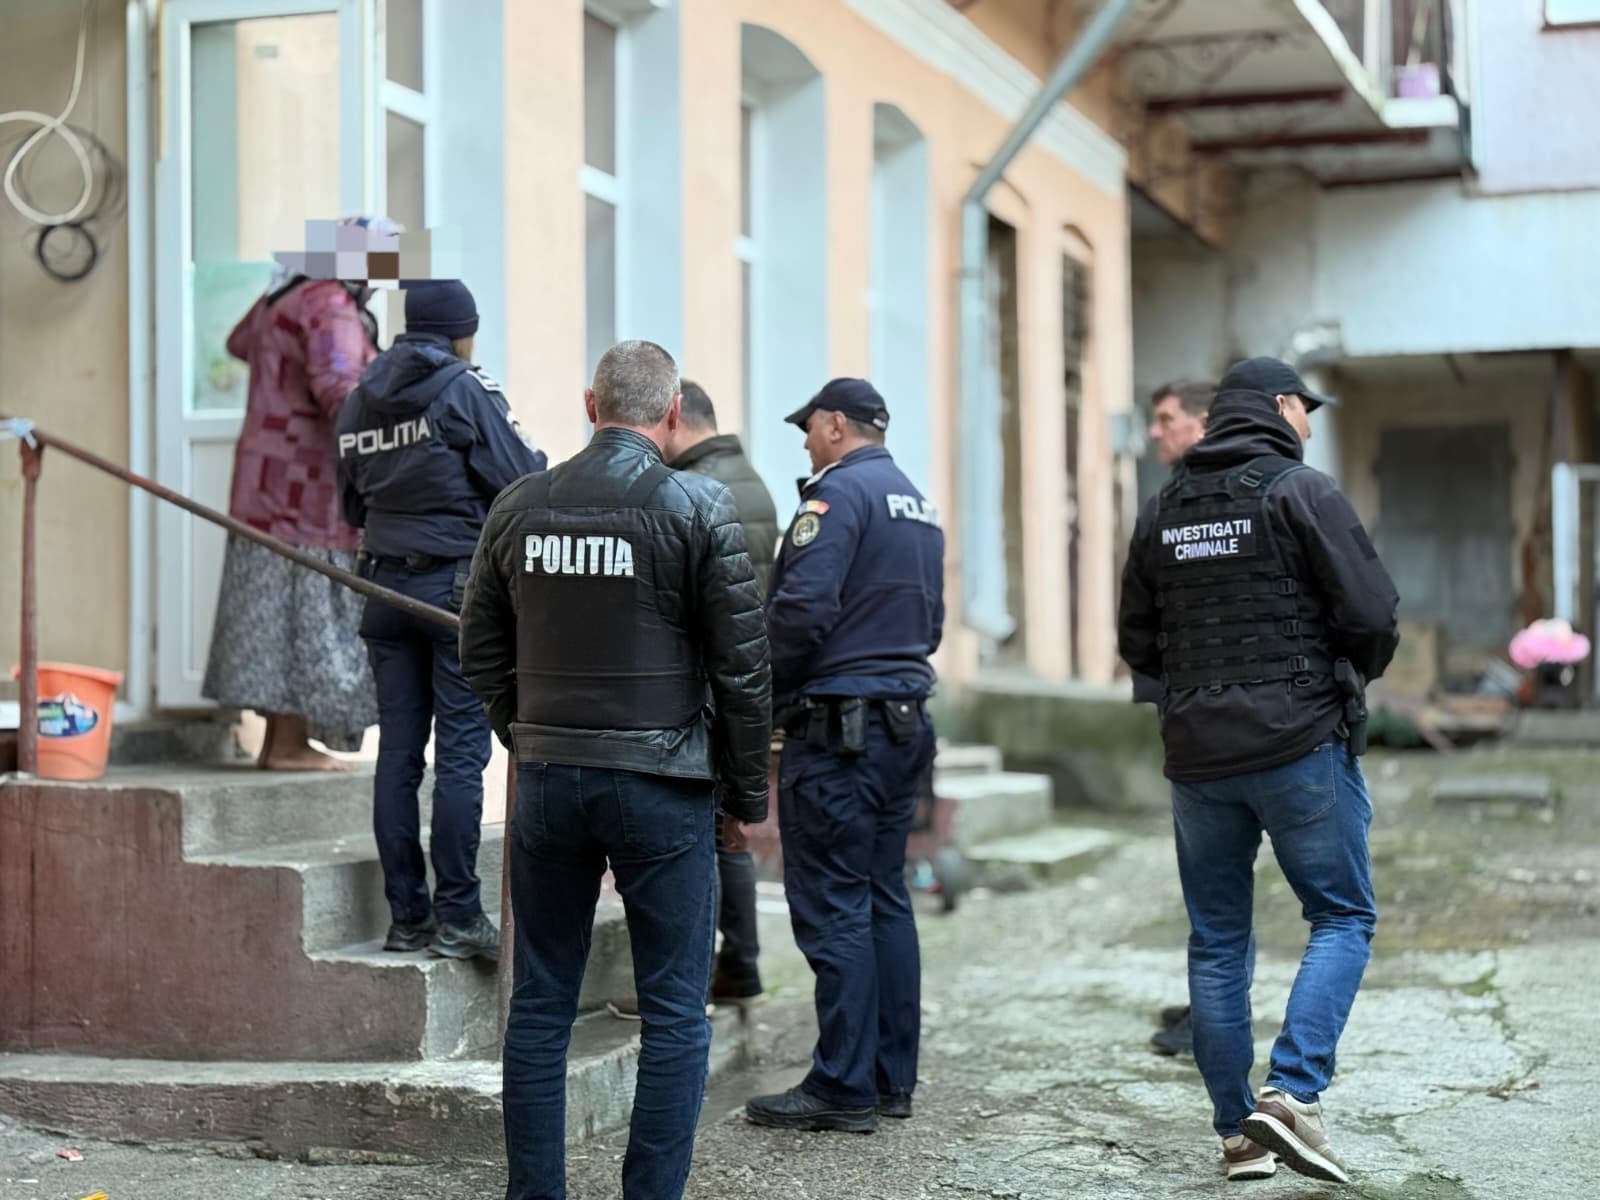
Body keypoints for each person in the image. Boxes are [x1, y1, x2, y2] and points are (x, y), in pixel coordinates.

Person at [459, 340, 770, 1200]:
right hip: (663, 784)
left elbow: (479, 647)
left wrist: (528, 734)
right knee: (673, 1012)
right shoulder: (697, 506)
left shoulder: (520, 505)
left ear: (590, 407)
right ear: (671, 415)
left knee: (540, 1005)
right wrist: (745, 796)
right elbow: (743, 671)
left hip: (550, 781)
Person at [1117, 356, 1399, 1184]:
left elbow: (1137, 640)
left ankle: (1238, 1137)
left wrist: (1191, 701)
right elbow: (1373, 614)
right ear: (1280, 406)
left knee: (1216, 940)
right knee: (1342, 916)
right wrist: (1340, 682)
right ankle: (1291, 1096)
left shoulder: (1164, 507)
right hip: (1297, 743)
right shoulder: (1301, 491)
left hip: (1197, 757)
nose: (1309, 421)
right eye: (1306, 408)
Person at [745, 378, 944, 1134]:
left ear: (835, 424)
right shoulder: (915, 502)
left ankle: (842, 1085)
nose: (804, 443)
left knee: (834, 906)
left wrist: (757, 691)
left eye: (808, 429)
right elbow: (932, 622)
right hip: (902, 725)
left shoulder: (835, 497)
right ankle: (890, 1078)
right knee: (883, 896)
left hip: (840, 733)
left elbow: (800, 611)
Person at [336, 279, 545, 961]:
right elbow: (522, 477)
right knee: (460, 757)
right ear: (462, 333)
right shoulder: (465, 389)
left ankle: (408, 919)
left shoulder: (360, 397)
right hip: (453, 594)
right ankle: (458, 915)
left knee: (398, 756)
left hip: (384, 590)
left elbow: (349, 506)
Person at [607, 379, 779, 1019]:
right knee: (726, 836)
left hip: (698, 690)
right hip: (734, 686)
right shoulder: (748, 477)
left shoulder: (695, 492)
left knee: (701, 844)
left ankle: (692, 982)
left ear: (675, 419)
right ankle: (740, 967)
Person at [203, 215, 392, 769]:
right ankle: (288, 746)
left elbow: (239, 341)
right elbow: (340, 391)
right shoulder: (329, 302)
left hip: (261, 484)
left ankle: (278, 743)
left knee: (272, 615)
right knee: (303, 617)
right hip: (306, 491)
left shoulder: (284, 294)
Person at [1140, 380, 1216, 1059]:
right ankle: (1208, 1005)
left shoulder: (1191, 501)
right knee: (1214, 884)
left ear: (1204, 421)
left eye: (1166, 419)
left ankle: (1212, 1016)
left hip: (1210, 718)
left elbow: (1138, 620)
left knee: (1216, 885)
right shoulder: (1175, 497)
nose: (1153, 433)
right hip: (1213, 714)